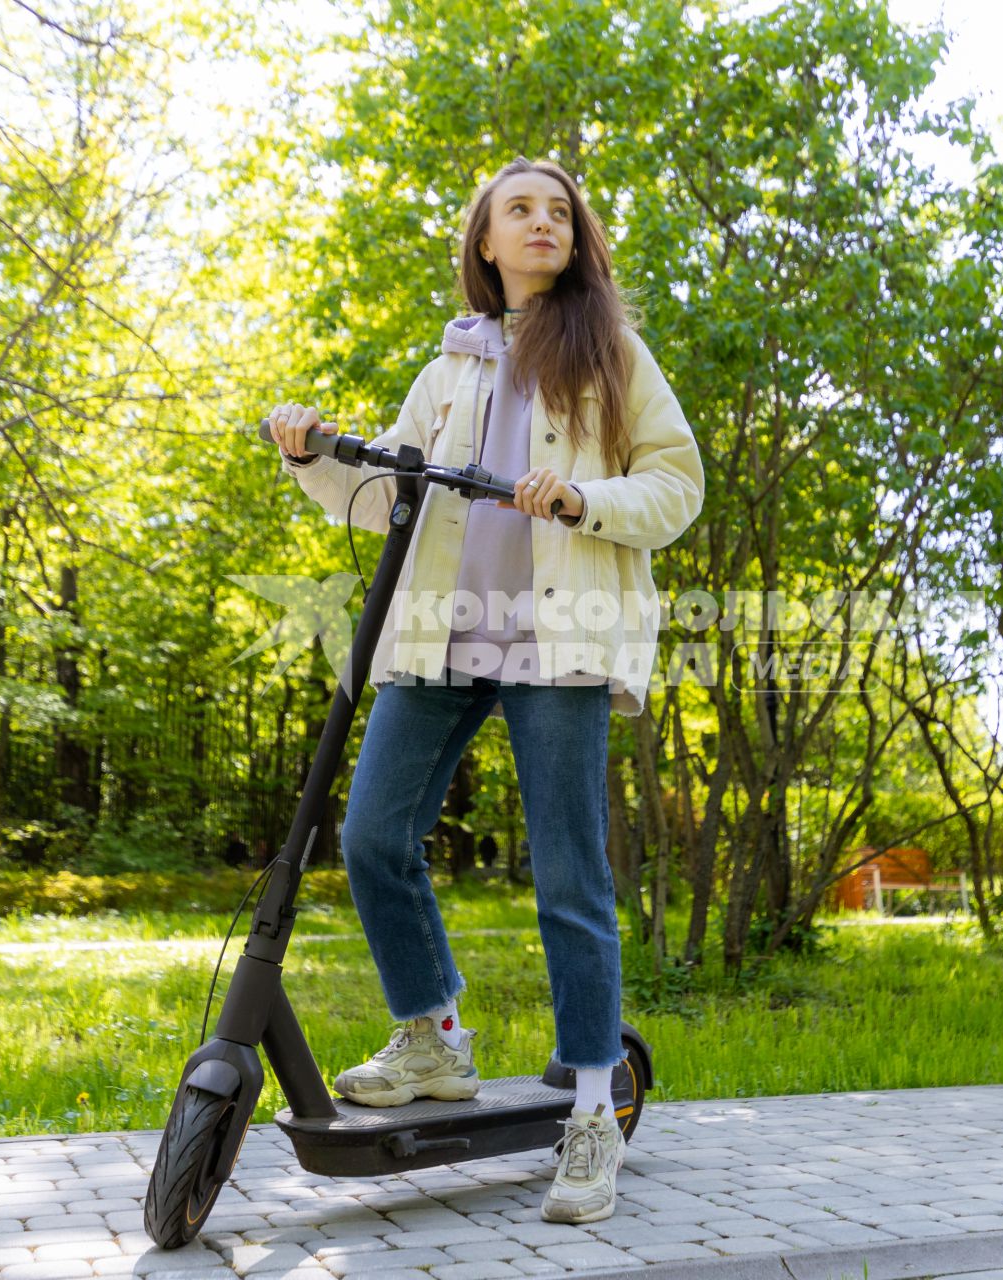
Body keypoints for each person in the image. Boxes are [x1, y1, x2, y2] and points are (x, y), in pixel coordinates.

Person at [264, 156, 704, 1224]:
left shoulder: (611, 355)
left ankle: (591, 1109)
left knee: (568, 876)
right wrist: (309, 455)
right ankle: (436, 1038)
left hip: (560, 638)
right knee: (372, 833)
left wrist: (582, 499)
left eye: (559, 212)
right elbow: (386, 502)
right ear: (486, 241)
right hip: (445, 633)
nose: (542, 223)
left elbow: (677, 483)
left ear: (575, 239)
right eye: (521, 211)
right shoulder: (450, 369)